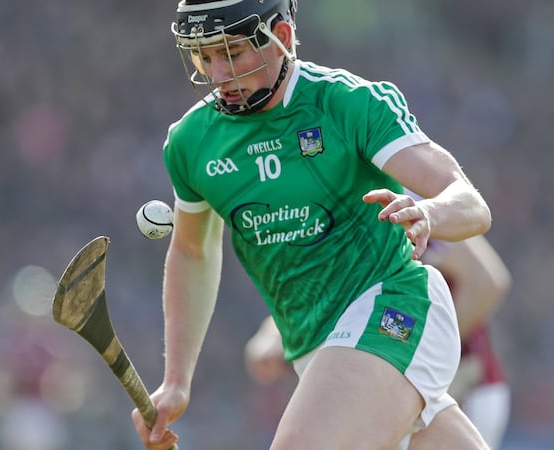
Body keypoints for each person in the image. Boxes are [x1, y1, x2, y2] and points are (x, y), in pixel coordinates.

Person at [131, 0, 492, 448]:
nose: (218, 74)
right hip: (316, 349)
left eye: (232, 53)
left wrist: (429, 213)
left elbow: (471, 203)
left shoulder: (347, 103)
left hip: (395, 307)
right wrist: (176, 380)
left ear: (281, 37)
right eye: (204, 57)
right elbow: (192, 251)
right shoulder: (191, 143)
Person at [245, 233, 512, 449]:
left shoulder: (409, 197)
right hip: (391, 376)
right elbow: (323, 291)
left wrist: (432, 360)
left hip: (464, 384)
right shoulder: (342, 208)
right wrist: (270, 334)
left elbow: (485, 283)